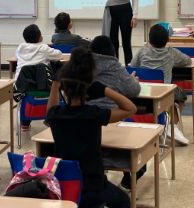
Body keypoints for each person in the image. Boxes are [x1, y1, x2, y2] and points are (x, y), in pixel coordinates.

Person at [46, 47, 135, 208]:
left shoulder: (55, 115)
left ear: (63, 88)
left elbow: (50, 108)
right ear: (88, 88)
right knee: (124, 201)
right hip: (93, 187)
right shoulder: (93, 114)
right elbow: (130, 109)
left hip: (64, 185)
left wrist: (56, 81)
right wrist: (104, 89)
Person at [89, 35, 143, 191]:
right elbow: (134, 90)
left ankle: (100, 178)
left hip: (86, 118)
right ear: (112, 51)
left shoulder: (82, 65)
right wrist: (132, 80)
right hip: (113, 117)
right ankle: (127, 182)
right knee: (138, 145)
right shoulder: (114, 66)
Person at [130, 24, 191, 145]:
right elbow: (187, 60)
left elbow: (132, 65)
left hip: (143, 93)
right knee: (181, 95)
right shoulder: (171, 52)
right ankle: (170, 125)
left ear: (149, 40)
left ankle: (164, 124)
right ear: (167, 40)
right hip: (165, 94)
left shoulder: (142, 51)